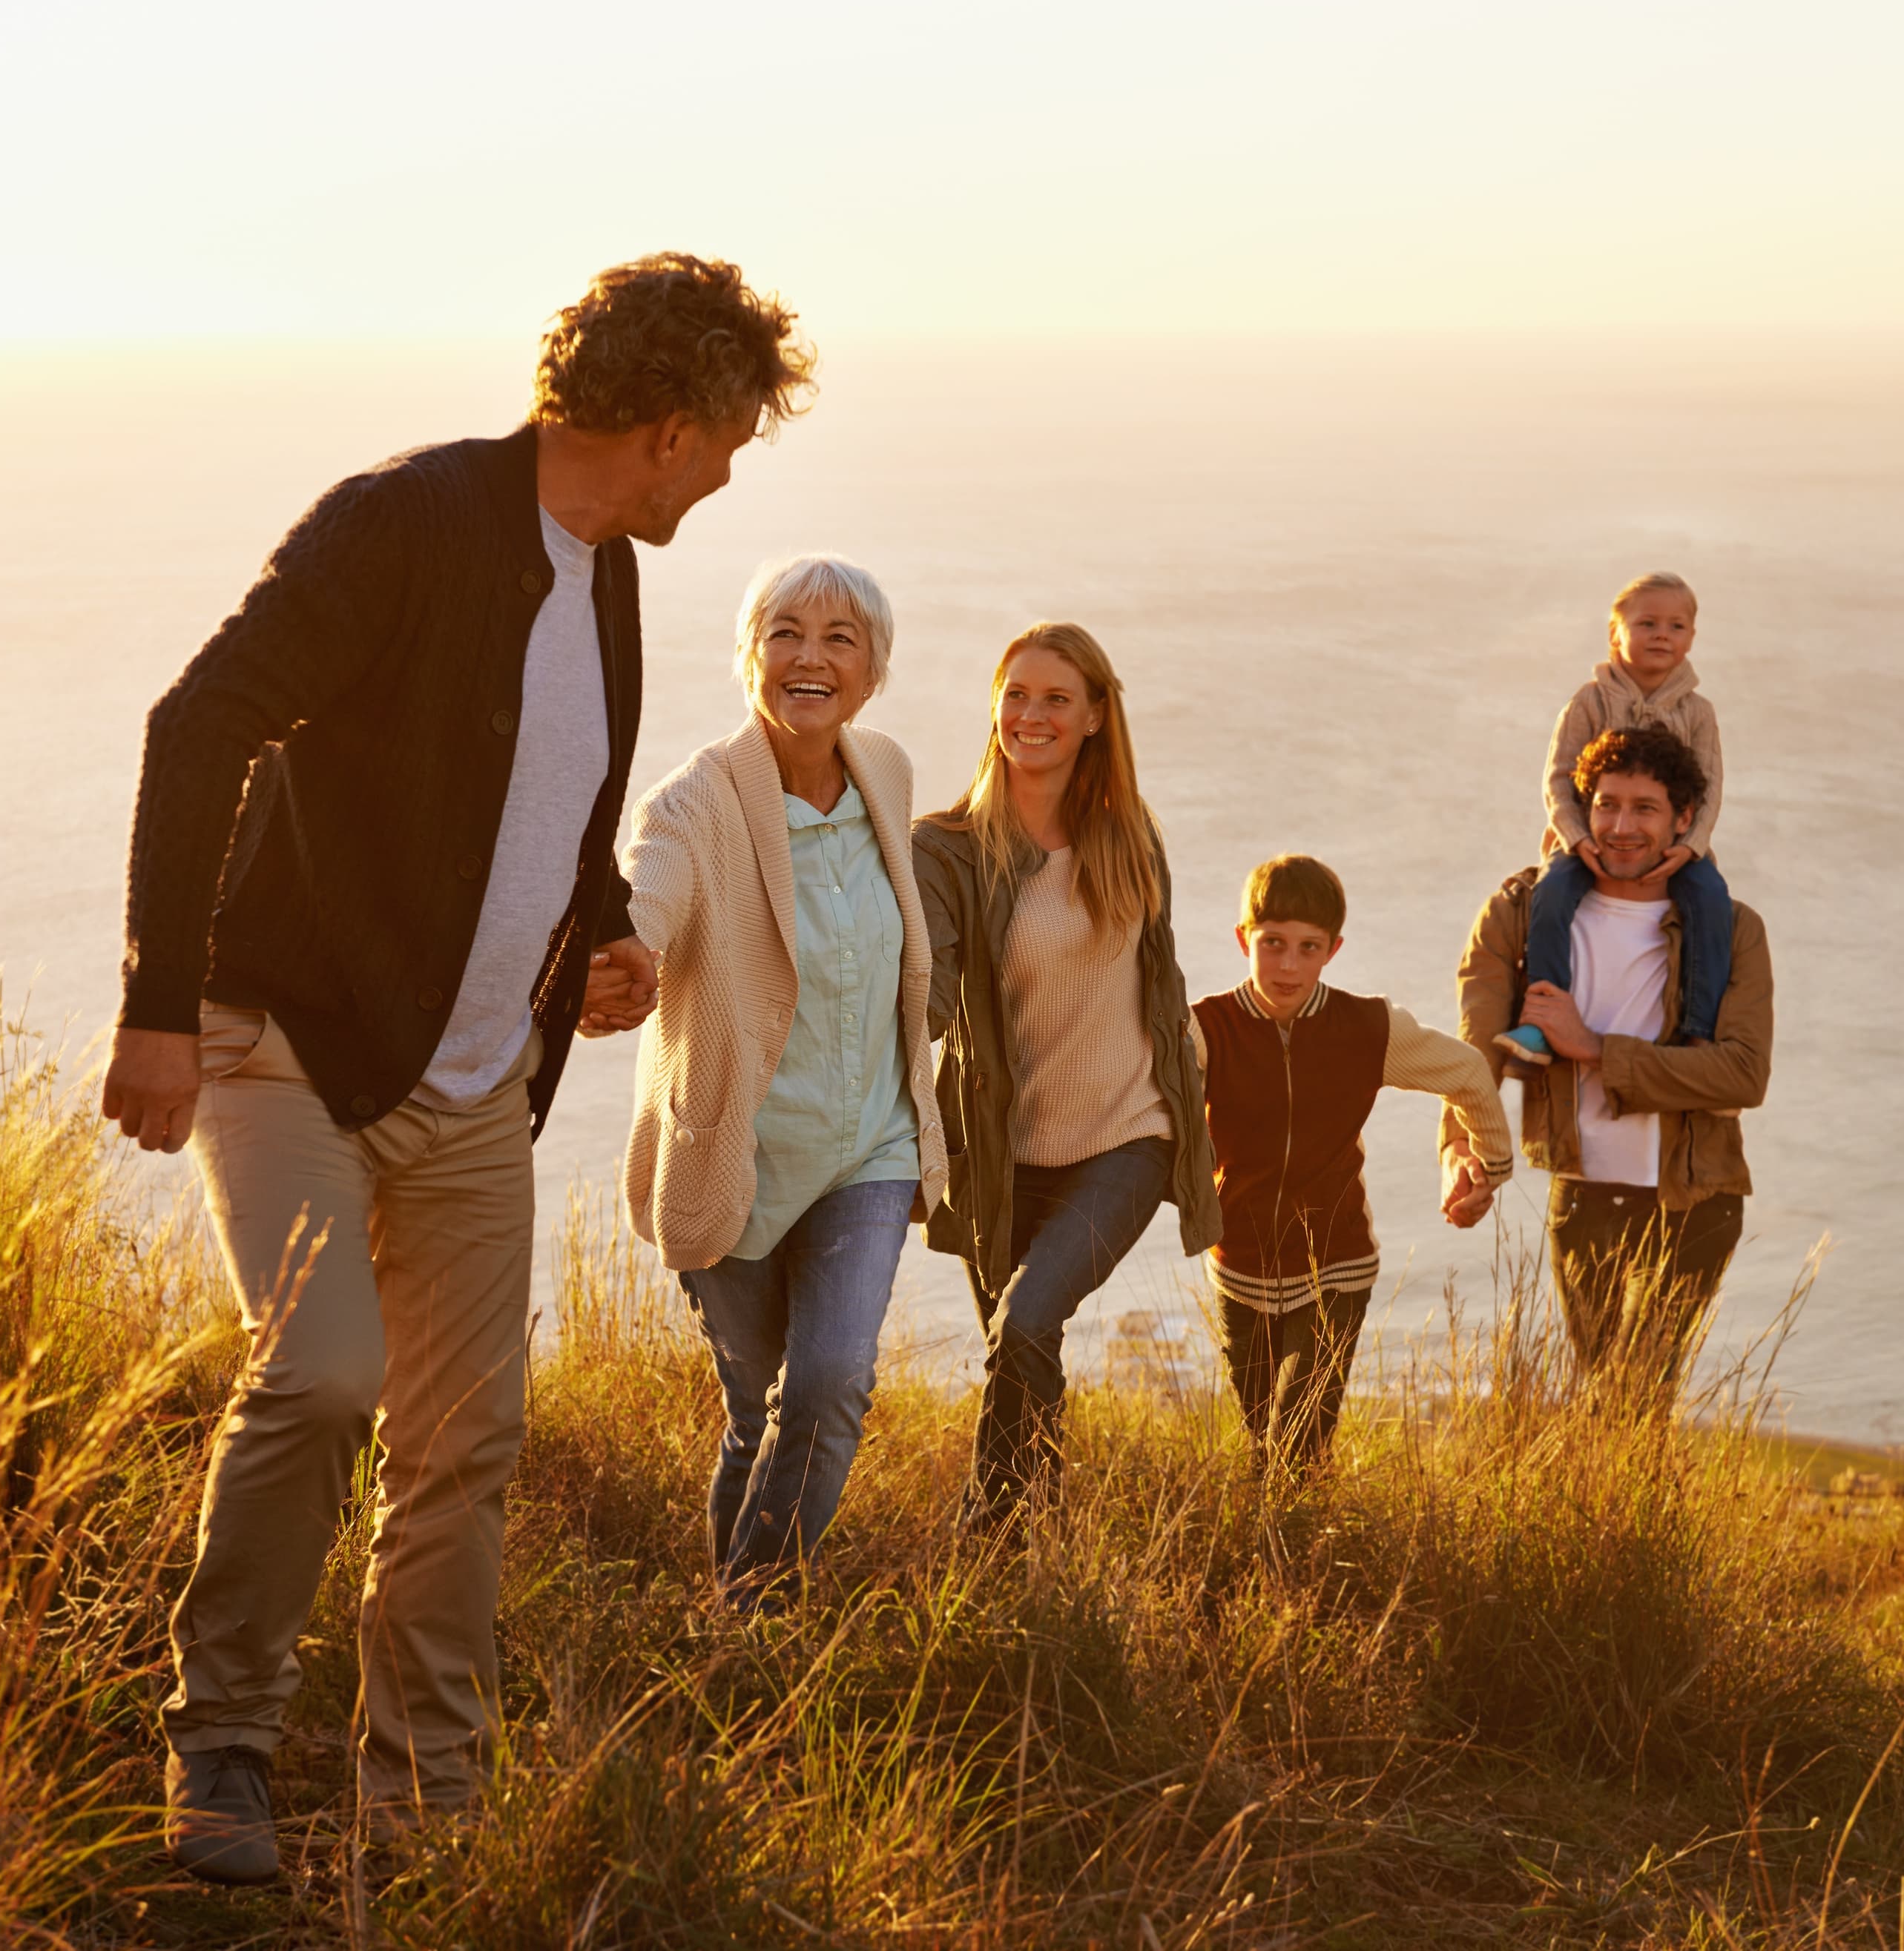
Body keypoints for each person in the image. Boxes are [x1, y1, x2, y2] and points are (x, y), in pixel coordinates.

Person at [105, 254, 814, 1883]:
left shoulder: (604, 572)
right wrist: (160, 1002)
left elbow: (543, 802)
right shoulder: (403, 525)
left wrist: (611, 930)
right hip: (291, 1044)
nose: (722, 476)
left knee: (463, 1449)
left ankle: (425, 1807)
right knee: (320, 1376)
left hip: (478, 1088)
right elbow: (196, 725)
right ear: (665, 424)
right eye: (724, 446)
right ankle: (218, 1743)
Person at [616, 555, 948, 1610]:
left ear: (873, 668)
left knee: (834, 1379)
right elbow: (649, 889)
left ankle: (752, 1609)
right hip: (741, 1153)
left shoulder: (886, 772)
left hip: (870, 1146)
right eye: (786, 633)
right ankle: (734, 1625)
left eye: (840, 637)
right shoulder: (697, 800)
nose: (810, 656)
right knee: (756, 1409)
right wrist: (623, 952)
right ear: (751, 655)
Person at [912, 622, 1219, 1528]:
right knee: (1020, 1351)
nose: (1030, 714)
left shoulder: (1130, 839)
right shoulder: (948, 849)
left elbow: (1162, 986)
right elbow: (923, 992)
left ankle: (987, 1535)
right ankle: (1043, 1549)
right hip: (1002, 1157)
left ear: (1094, 715)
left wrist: (1206, 1115)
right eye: (1015, 693)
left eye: (1055, 698)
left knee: (1024, 1323)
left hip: (1125, 1138)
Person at [1454, 724, 1774, 1406]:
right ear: (1581, 809)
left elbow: (1744, 1074)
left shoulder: (1733, 927)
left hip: (1696, 1196)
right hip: (1582, 1192)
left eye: (1645, 808)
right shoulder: (1524, 913)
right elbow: (1473, 1054)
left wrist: (1593, 1047)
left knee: (1639, 1399)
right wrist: (1463, 1151)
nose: (1622, 826)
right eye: (1606, 804)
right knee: (1603, 1397)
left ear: (1684, 819)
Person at [1194, 854, 1513, 1468]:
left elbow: (1470, 1072)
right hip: (1238, 1266)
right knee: (1264, 1443)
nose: (1289, 965)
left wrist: (1488, 1169)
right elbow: (1145, 1104)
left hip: (1336, 1265)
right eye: (1273, 943)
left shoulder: (1367, 1028)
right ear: (1243, 939)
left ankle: (1287, 1555)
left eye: (1308, 947)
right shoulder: (1207, 1029)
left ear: (1333, 949)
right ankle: (1277, 1556)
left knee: (1297, 1446)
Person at [1499, 572, 1733, 1064]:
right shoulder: (1590, 701)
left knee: (1710, 897)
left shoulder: (1698, 712)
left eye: (1677, 625)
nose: (1662, 634)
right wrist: (1577, 837)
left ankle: (1699, 1032)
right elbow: (1558, 779)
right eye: (1646, 623)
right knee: (1553, 890)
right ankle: (1541, 1020)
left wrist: (1689, 846)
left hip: (1673, 846)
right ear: (1615, 633)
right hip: (1588, 841)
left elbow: (1709, 789)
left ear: (1692, 636)